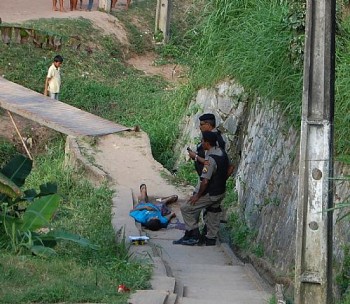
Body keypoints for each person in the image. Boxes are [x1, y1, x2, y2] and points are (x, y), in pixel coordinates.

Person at [174, 131, 229, 246]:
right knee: (213, 211)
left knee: (186, 208)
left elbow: (205, 181)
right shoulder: (222, 153)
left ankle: (194, 235)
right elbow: (231, 167)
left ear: (207, 143)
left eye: (202, 141)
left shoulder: (210, 160)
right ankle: (210, 239)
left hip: (212, 193)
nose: (201, 143)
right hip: (221, 191)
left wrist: (197, 196)